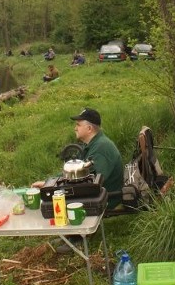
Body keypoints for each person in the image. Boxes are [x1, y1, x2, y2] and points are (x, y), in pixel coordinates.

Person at [32, 108, 124, 254]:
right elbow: (77, 172)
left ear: (89, 128)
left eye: (78, 124)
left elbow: (91, 182)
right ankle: (72, 234)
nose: (75, 127)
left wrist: (56, 187)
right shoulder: (93, 144)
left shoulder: (101, 147)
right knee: (62, 193)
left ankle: (80, 238)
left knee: (66, 196)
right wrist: (49, 182)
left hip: (108, 195)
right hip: (100, 189)